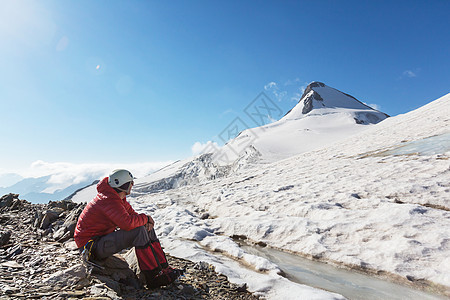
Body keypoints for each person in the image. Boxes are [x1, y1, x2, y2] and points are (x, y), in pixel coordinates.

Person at [74, 169, 179, 288]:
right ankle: (153, 277)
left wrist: (146, 220)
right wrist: (146, 218)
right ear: (126, 185)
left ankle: (163, 268)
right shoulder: (109, 200)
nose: (132, 185)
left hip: (96, 242)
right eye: (131, 183)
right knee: (139, 230)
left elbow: (132, 215)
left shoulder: (116, 197)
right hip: (90, 247)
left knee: (143, 226)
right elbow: (127, 223)